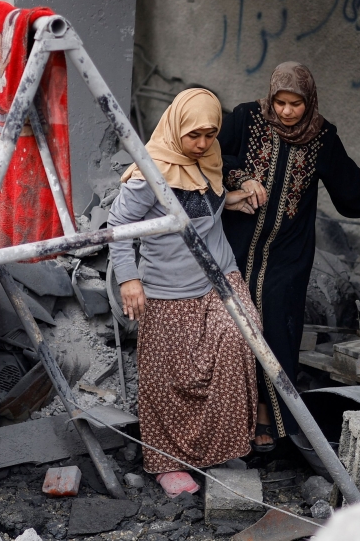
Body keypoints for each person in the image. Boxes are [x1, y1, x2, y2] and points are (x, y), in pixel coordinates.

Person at [218, 61, 360, 452]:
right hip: (236, 246)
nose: (287, 111)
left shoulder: (322, 137)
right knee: (231, 327)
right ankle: (230, 415)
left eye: (296, 104)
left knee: (277, 330)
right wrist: (242, 177)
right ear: (271, 97)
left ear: (309, 101)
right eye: (281, 102)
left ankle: (269, 418)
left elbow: (350, 186)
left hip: (288, 253)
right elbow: (214, 158)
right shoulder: (246, 118)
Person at [108, 88, 266, 498]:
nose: (201, 143)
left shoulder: (210, 157)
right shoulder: (149, 172)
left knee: (240, 337)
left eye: (210, 134)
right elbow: (118, 227)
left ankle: (222, 446)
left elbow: (199, 206)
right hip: (168, 287)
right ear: (176, 127)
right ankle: (167, 462)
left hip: (219, 275)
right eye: (193, 135)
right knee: (172, 376)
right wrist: (128, 278)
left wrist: (229, 200)